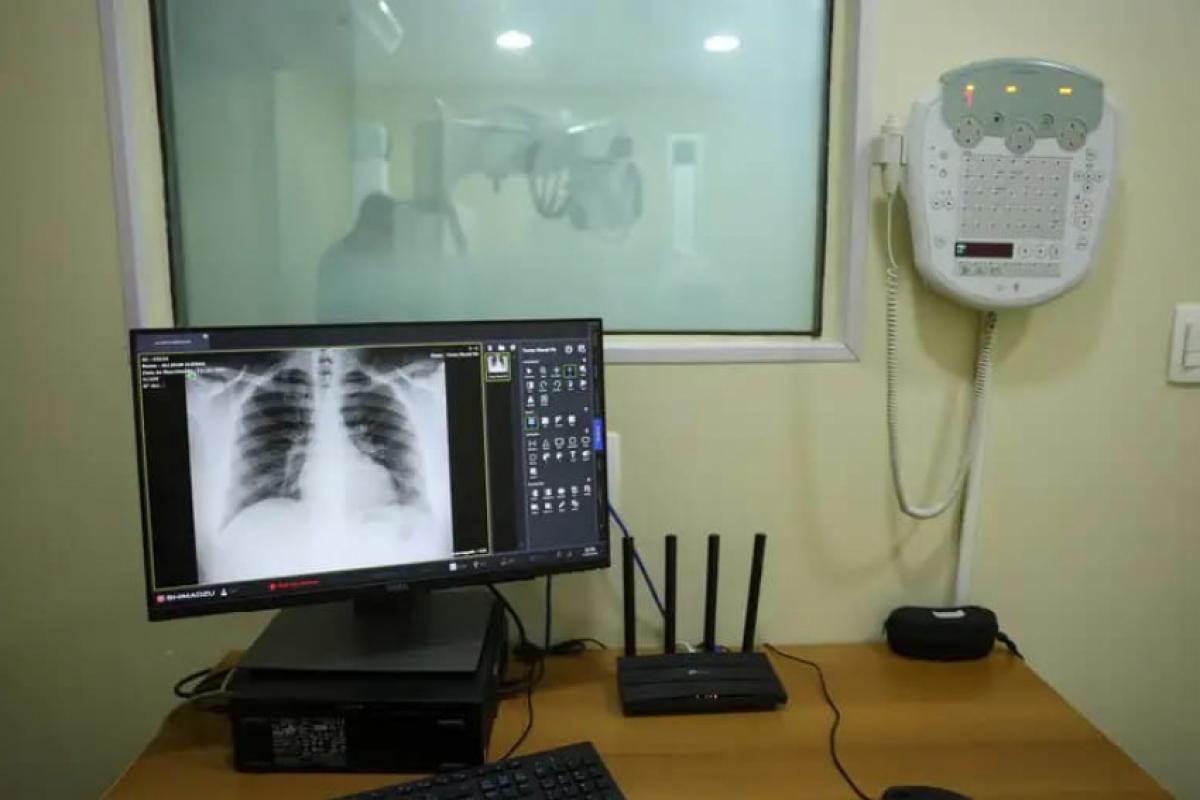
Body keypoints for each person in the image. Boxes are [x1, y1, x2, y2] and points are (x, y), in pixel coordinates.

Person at [316, 193, 407, 323]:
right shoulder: (336, 261)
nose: (391, 245)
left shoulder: (382, 257)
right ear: (367, 229)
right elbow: (330, 315)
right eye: (389, 235)